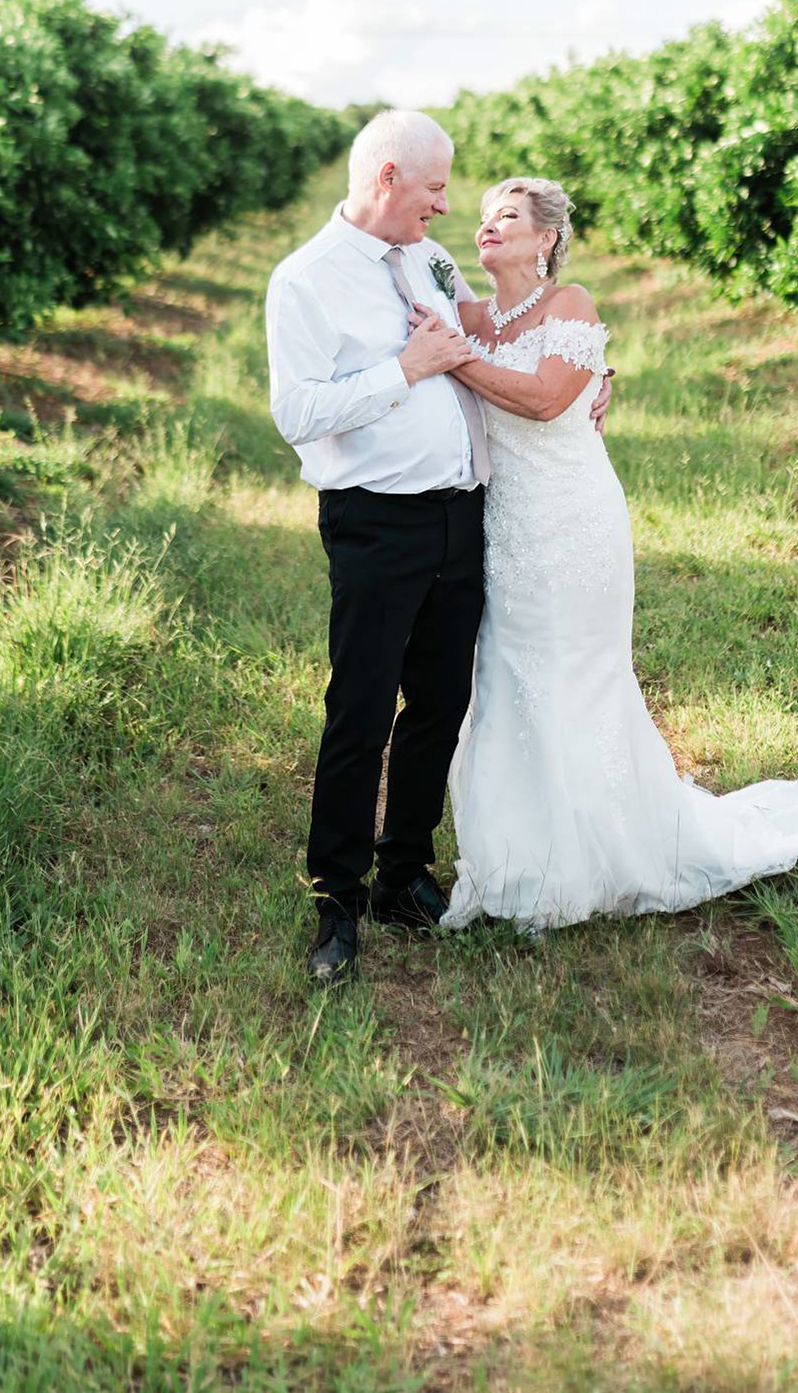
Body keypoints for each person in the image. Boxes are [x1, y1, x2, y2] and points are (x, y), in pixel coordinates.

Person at [407, 175, 798, 933]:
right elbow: (433, 324)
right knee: (506, 678)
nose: (488, 227)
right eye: (485, 216)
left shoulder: (573, 303)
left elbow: (542, 398)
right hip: (507, 534)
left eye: (509, 217)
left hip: (576, 525)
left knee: (580, 682)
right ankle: (524, 860)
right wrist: (451, 343)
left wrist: (450, 359)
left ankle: (605, 849)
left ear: (547, 238)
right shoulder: (472, 312)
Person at [265, 114, 611, 982]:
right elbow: (296, 413)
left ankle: (403, 870)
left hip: (468, 516)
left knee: (440, 703)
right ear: (387, 176)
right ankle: (333, 896)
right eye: (434, 190)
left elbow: (513, 331)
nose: (448, 206)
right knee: (362, 708)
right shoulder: (303, 281)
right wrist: (405, 371)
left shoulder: (430, 258)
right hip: (379, 519)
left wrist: (598, 372)